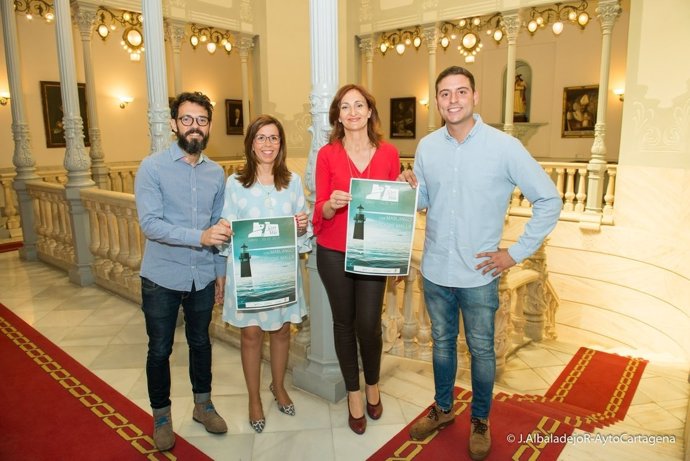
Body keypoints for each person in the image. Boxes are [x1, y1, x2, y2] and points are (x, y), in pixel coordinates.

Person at [399, 66, 561, 460]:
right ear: (437, 101)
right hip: (436, 269)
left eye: (460, 92)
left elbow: (549, 200)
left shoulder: (503, 147)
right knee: (441, 345)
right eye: (444, 93)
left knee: (482, 351)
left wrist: (514, 253)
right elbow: (423, 204)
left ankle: (481, 420)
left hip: (478, 273)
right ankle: (441, 409)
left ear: (474, 97)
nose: (452, 100)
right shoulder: (427, 147)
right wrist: (410, 189)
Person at [135, 91, 231, 451]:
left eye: (202, 121)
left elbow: (219, 227)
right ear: (174, 123)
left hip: (203, 275)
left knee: (201, 342)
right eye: (187, 119)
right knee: (159, 348)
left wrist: (220, 270)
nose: (195, 127)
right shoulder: (152, 167)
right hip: (162, 277)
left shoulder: (216, 173)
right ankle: (161, 416)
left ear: (208, 127)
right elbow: (151, 224)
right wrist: (200, 236)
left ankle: (202, 405)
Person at [312, 84, 401, 435]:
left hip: (373, 252)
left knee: (368, 324)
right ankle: (353, 393)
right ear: (337, 115)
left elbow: (395, 207)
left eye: (359, 105)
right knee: (343, 324)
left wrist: (406, 186)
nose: (352, 112)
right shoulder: (327, 155)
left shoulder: (389, 153)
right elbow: (319, 207)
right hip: (333, 251)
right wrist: (332, 204)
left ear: (369, 112)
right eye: (345, 106)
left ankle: (373, 384)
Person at [218, 114, 311, 433]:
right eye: (261, 137)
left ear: (281, 144)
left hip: (281, 272)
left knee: (282, 330)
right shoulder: (235, 183)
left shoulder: (293, 182)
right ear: (250, 143)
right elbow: (227, 227)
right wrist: (225, 229)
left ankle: (279, 386)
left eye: (274, 138)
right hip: (248, 274)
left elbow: (302, 230)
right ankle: (254, 398)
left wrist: (302, 225)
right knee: (251, 334)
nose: (268, 144)